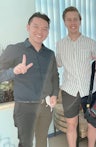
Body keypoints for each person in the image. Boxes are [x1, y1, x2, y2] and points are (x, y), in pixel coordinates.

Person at [0, 12, 59, 147]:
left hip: (46, 107)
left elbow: (55, 76)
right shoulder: (14, 50)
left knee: (42, 141)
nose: (40, 31)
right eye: (36, 26)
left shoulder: (50, 54)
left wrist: (55, 94)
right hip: (25, 108)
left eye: (45, 28)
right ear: (28, 27)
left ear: (48, 31)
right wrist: (13, 71)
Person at [56, 6, 96, 147]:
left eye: (75, 19)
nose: (72, 22)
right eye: (69, 19)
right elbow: (57, 64)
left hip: (89, 89)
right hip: (69, 90)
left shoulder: (91, 42)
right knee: (71, 125)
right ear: (64, 22)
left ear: (80, 21)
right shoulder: (60, 44)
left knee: (93, 124)